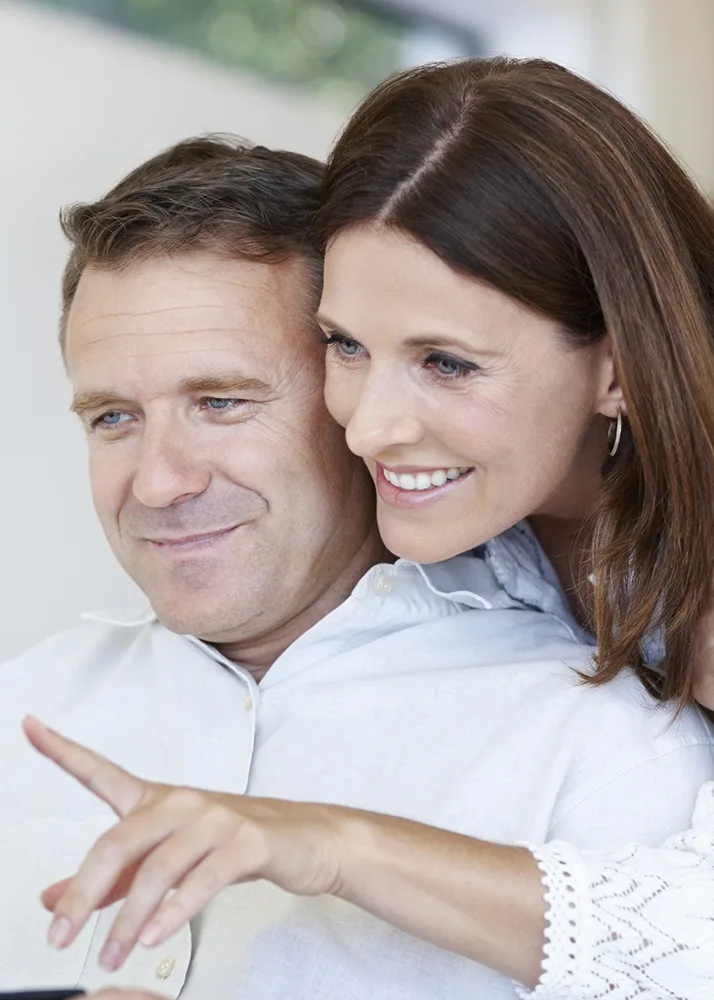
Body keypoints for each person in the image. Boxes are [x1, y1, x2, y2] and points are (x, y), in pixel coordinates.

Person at [29, 58, 714, 1000]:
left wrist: (330, 843)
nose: (370, 425)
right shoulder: (486, 553)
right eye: (347, 345)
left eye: (446, 361)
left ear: (618, 367)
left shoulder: (625, 700)